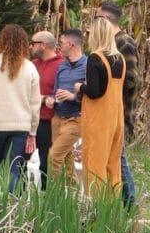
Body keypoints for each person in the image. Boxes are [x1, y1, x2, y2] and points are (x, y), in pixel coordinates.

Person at [0, 24, 40, 192]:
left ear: (1, 41)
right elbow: (35, 104)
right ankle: (12, 203)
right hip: (20, 126)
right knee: (14, 169)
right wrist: (33, 131)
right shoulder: (30, 67)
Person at [95, 0, 138, 209]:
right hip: (108, 111)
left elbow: (131, 79)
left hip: (120, 110)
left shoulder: (123, 42)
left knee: (117, 157)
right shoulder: (107, 43)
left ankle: (130, 204)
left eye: (96, 18)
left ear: (105, 19)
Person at [77, 17, 125, 196]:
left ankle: (95, 206)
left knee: (95, 164)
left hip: (99, 120)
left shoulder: (95, 58)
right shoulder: (120, 59)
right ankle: (113, 206)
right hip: (117, 118)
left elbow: (95, 91)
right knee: (113, 165)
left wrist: (80, 87)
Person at [47, 28, 86, 185]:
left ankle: (55, 193)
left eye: (61, 42)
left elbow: (93, 95)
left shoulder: (88, 66)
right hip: (58, 117)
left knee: (54, 156)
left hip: (75, 118)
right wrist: (51, 99)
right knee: (67, 158)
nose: (59, 46)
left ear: (70, 44)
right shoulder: (62, 66)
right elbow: (55, 91)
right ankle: (72, 190)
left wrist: (73, 97)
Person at [29, 29, 63, 189]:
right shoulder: (32, 65)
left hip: (48, 122)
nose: (30, 46)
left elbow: (63, 93)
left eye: (33, 43)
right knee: (19, 158)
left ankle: (46, 194)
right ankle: (18, 195)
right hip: (28, 120)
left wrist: (46, 99)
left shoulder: (62, 66)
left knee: (46, 161)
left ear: (43, 45)